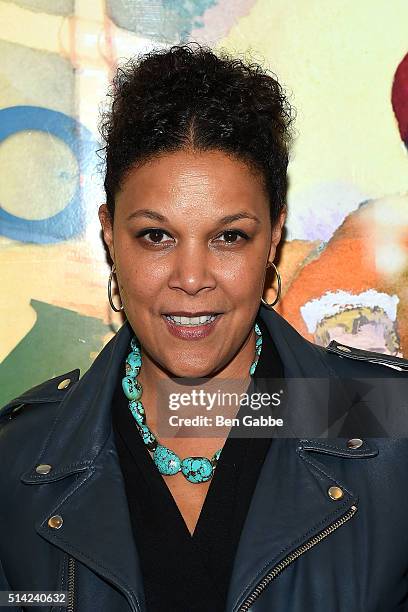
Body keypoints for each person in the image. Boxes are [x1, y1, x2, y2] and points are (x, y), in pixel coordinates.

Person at [1, 42, 408, 612]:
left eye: (229, 236)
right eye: (155, 236)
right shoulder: (20, 463)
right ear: (110, 236)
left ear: (273, 238)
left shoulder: (386, 425)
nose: (191, 278)